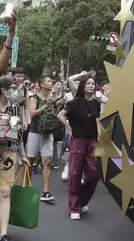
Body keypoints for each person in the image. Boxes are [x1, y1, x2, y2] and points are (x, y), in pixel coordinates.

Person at [0, 76, 30, 241]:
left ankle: (3, 233)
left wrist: (23, 154)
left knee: (5, 192)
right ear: (2, 90)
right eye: (12, 88)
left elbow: (18, 133)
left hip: (9, 152)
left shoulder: (15, 108)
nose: (14, 91)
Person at [57, 76, 101, 220]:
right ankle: (74, 207)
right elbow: (60, 116)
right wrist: (71, 128)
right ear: (82, 86)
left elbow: (97, 121)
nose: (91, 86)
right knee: (75, 174)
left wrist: (99, 137)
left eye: (93, 83)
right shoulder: (74, 102)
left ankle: (82, 201)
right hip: (78, 140)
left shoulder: (95, 103)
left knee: (94, 174)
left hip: (92, 141)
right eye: (88, 83)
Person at [26, 77, 59, 203]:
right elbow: (32, 113)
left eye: (51, 82)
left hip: (48, 134)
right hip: (35, 133)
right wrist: (47, 105)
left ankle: (45, 191)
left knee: (47, 162)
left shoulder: (51, 98)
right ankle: (27, 186)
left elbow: (56, 114)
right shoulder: (35, 97)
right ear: (40, 84)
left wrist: (55, 105)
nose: (51, 83)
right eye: (48, 81)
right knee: (30, 160)